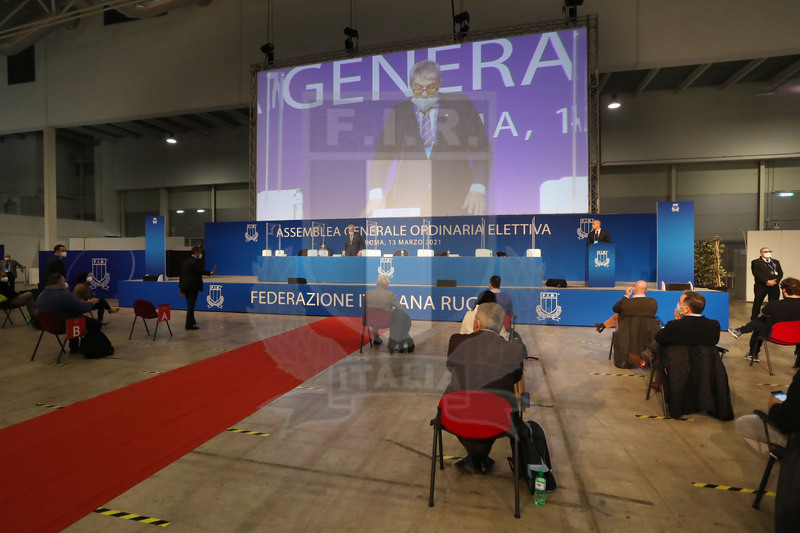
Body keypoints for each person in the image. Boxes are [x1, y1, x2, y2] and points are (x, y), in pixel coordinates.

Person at [365, 59, 492, 217]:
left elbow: (481, 150)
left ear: (439, 83)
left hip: (455, 199)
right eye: (418, 89)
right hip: (409, 202)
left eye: (431, 88)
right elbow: (381, 157)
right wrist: (375, 194)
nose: (424, 94)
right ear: (410, 85)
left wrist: (478, 188)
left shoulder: (460, 105)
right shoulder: (398, 113)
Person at [444, 302, 525, 474]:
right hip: (499, 420)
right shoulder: (514, 349)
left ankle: (476, 456)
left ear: (477, 323)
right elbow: (516, 378)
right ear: (500, 327)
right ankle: (478, 456)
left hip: (457, 416)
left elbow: (451, 367)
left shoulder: (456, 341)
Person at [730, 277, 800, 362]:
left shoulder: (775, 304)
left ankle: (752, 352)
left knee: (760, 321)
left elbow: (763, 313)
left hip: (776, 335)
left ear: (784, 290)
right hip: (797, 337)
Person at [35, 273, 100, 353]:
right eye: (64, 281)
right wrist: (91, 303)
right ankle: (89, 347)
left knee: (70, 316)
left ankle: (74, 347)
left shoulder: (41, 296)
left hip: (46, 326)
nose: (65, 283)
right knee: (95, 324)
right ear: (59, 282)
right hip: (63, 325)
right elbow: (83, 308)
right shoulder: (63, 294)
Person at [654, 290, 720, 347]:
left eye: (680, 302)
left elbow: (658, 338)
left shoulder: (673, 326)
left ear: (686, 309)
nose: (678, 304)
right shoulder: (714, 326)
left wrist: (677, 320)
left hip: (678, 357)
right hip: (705, 358)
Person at [179, 246, 217, 331]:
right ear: (196, 252)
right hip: (193, 287)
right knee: (191, 306)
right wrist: (211, 272)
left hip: (185, 287)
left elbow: (182, 276)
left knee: (190, 305)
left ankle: (192, 321)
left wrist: (181, 288)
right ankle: (188, 325)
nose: (200, 254)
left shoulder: (185, 262)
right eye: (200, 252)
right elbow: (200, 271)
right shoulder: (195, 262)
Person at [364, 274, 402, 345]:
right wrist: (392, 311)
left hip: (370, 321)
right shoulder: (390, 294)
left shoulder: (368, 293)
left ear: (377, 283)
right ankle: (392, 340)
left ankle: (376, 338)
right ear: (386, 284)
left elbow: (365, 309)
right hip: (386, 322)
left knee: (375, 313)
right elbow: (400, 308)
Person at [751, 247, 783, 321]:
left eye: (769, 251)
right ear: (761, 253)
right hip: (761, 286)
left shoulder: (775, 262)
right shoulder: (755, 262)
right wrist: (766, 281)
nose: (768, 253)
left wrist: (776, 281)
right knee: (757, 302)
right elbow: (756, 274)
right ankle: (754, 318)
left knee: (774, 303)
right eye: (766, 251)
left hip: (774, 286)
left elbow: (780, 273)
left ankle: (772, 318)